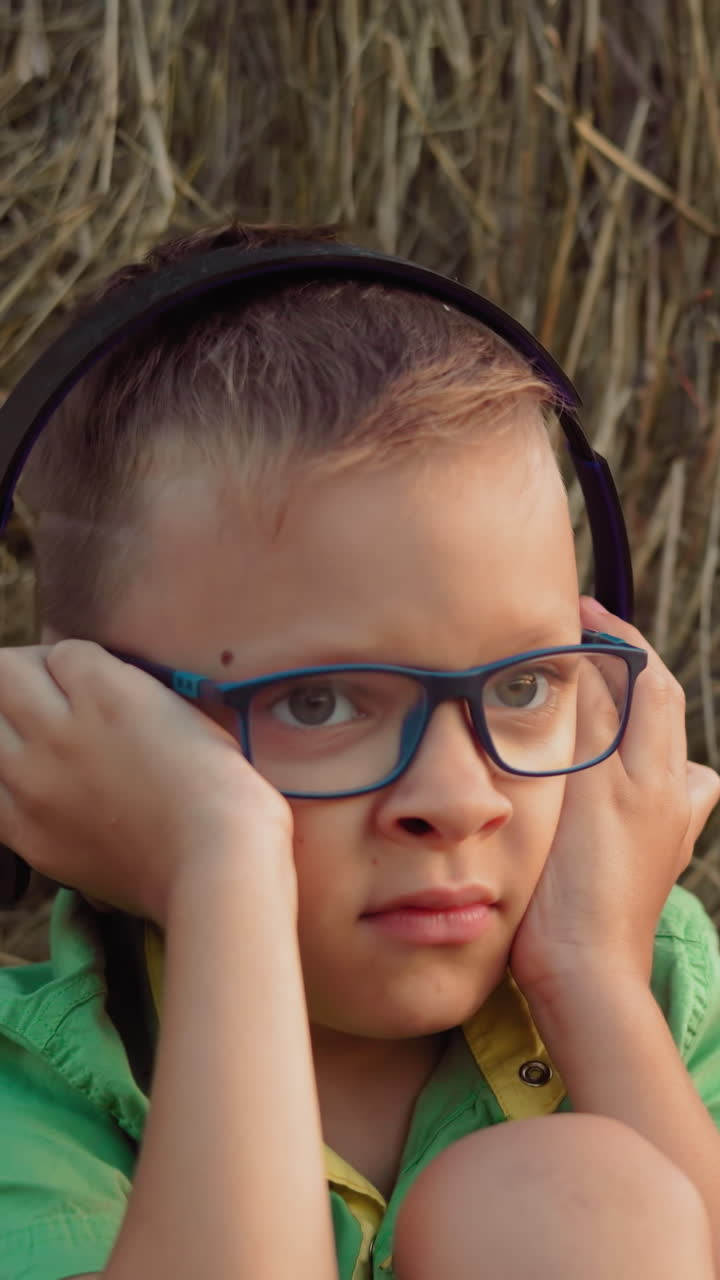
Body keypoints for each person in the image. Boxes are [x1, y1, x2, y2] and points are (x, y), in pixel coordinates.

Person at [0, 221, 718, 1280]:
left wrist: (589, 976)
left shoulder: (650, 973)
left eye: (524, 687)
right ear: (87, 723)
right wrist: (220, 859)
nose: (457, 797)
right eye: (320, 701)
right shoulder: (32, 1098)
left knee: (573, 1200)